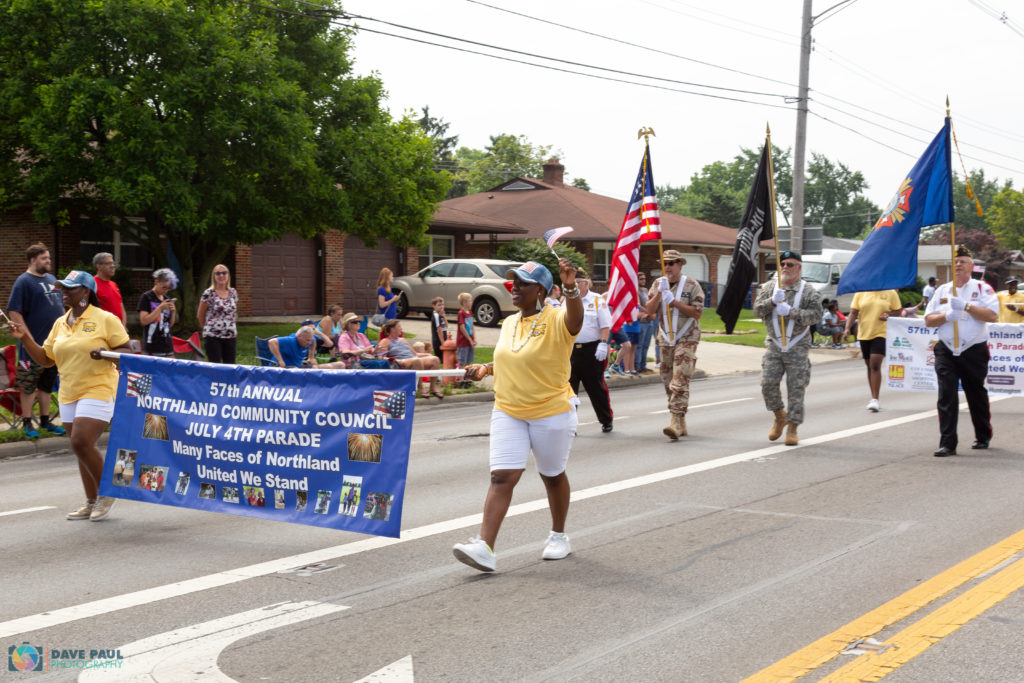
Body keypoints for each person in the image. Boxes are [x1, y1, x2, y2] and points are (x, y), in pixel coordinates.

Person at [452, 259, 583, 572]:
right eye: (513, 282)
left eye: (522, 283)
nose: (514, 287)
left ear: (540, 290)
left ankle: (558, 535)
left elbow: (577, 321)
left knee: (552, 476)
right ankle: (485, 547)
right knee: (501, 477)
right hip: (508, 409)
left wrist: (570, 288)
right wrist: (486, 369)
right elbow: (512, 360)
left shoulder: (557, 318)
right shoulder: (509, 323)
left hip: (551, 410)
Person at [6, 270, 133, 520]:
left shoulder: (105, 318)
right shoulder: (60, 322)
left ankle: (108, 491)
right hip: (68, 391)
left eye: (70, 288)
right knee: (81, 448)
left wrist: (104, 353)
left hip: (99, 387)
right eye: (62, 287)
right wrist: (24, 338)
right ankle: (91, 500)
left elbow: (127, 349)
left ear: (86, 291)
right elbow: (45, 359)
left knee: (80, 441)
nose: (64, 291)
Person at [924, 245, 999, 457]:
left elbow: (992, 316)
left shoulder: (982, 288)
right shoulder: (942, 291)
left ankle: (983, 435)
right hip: (947, 349)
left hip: (973, 349)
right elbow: (929, 320)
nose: (958, 265)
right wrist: (946, 316)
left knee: (975, 393)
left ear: (971, 266)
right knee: (946, 395)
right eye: (955, 262)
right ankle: (947, 443)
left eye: (963, 261)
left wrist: (966, 306)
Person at [752, 251, 823, 446]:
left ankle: (792, 427)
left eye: (790, 264)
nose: (785, 267)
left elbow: (816, 316)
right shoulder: (769, 288)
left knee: (796, 389)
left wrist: (791, 312)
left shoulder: (808, 291)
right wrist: (772, 301)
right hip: (775, 344)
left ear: (799, 268)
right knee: (767, 383)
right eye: (782, 263)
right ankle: (779, 415)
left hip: (797, 345)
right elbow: (757, 310)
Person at [6, 243, 67, 438]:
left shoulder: (52, 279)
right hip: (31, 347)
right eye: (44, 258)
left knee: (47, 383)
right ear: (33, 260)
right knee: (28, 384)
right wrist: (27, 338)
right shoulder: (23, 281)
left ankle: (45, 421)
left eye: (48, 258)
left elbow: (61, 307)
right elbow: (14, 311)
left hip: (53, 345)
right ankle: (27, 422)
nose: (48, 261)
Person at [644, 250, 704, 440]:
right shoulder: (657, 283)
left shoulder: (692, 285)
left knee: (680, 378)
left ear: (680, 265)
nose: (668, 267)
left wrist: (675, 302)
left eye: (672, 263)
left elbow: (697, 313)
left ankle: (676, 420)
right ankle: (680, 418)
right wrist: (659, 294)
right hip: (666, 338)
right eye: (665, 263)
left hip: (687, 336)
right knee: (668, 379)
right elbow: (650, 311)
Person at [569, 269, 613, 433]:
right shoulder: (566, 300)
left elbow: (605, 325)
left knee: (596, 388)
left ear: (585, 283)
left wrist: (603, 343)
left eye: (576, 283)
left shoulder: (596, 300)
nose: (574, 286)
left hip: (591, 351)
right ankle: (570, 424)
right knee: (569, 390)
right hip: (570, 350)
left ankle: (606, 420)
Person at [845, 289, 902, 412]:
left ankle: (875, 399)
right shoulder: (860, 293)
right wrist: (847, 328)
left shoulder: (891, 292)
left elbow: (898, 310)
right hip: (864, 333)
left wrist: (889, 315)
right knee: (869, 366)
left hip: (881, 333)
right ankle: (873, 397)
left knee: (875, 364)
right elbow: (853, 312)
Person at [376, 319, 443, 399]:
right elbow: (381, 357)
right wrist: (394, 360)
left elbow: (415, 354)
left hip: (413, 358)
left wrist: (427, 354)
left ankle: (433, 388)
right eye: (399, 326)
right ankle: (420, 387)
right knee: (417, 361)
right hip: (402, 361)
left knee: (435, 359)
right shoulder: (385, 341)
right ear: (392, 329)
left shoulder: (403, 340)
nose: (401, 329)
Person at [196, 264, 238, 363]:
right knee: (215, 367)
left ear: (228, 275)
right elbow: (200, 315)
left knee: (230, 366)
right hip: (213, 337)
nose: (221, 275)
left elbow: (232, 313)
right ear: (214, 276)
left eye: (224, 273)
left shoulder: (233, 292)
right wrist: (208, 329)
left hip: (230, 336)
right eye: (218, 273)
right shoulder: (208, 293)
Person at [138, 268, 177, 356]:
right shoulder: (146, 297)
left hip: (167, 346)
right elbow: (144, 321)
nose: (165, 291)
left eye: (168, 289)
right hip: (152, 346)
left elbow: (169, 324)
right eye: (164, 287)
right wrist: (160, 308)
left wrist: (173, 311)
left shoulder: (166, 299)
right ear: (156, 282)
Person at [92, 252, 126, 324]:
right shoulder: (92, 284)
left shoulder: (114, 284)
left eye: (113, 263)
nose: (113, 266)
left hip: (118, 329)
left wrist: (123, 325)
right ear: (98, 266)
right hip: (103, 329)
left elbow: (121, 306)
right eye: (109, 263)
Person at [635, 271, 656, 374]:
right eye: (641, 279)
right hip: (642, 321)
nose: (644, 280)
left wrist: (652, 313)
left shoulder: (645, 290)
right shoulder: (635, 291)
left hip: (649, 321)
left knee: (646, 345)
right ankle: (637, 366)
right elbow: (638, 305)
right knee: (639, 345)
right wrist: (650, 312)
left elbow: (650, 303)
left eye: (644, 279)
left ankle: (643, 365)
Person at [455, 292, 477, 369]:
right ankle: (461, 379)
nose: (471, 302)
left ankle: (467, 377)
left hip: (470, 340)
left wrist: (474, 339)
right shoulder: (461, 313)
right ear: (464, 303)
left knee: (469, 360)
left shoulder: (470, 313)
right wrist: (469, 339)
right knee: (462, 361)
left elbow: (472, 326)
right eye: (470, 301)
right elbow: (462, 327)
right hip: (463, 341)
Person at [429, 296, 450, 362]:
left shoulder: (440, 314)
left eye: (442, 304)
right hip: (438, 340)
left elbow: (446, 326)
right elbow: (439, 330)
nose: (441, 307)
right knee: (440, 359)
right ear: (434, 306)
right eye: (439, 305)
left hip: (444, 337)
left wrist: (444, 317)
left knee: (445, 358)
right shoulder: (436, 315)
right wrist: (443, 343)